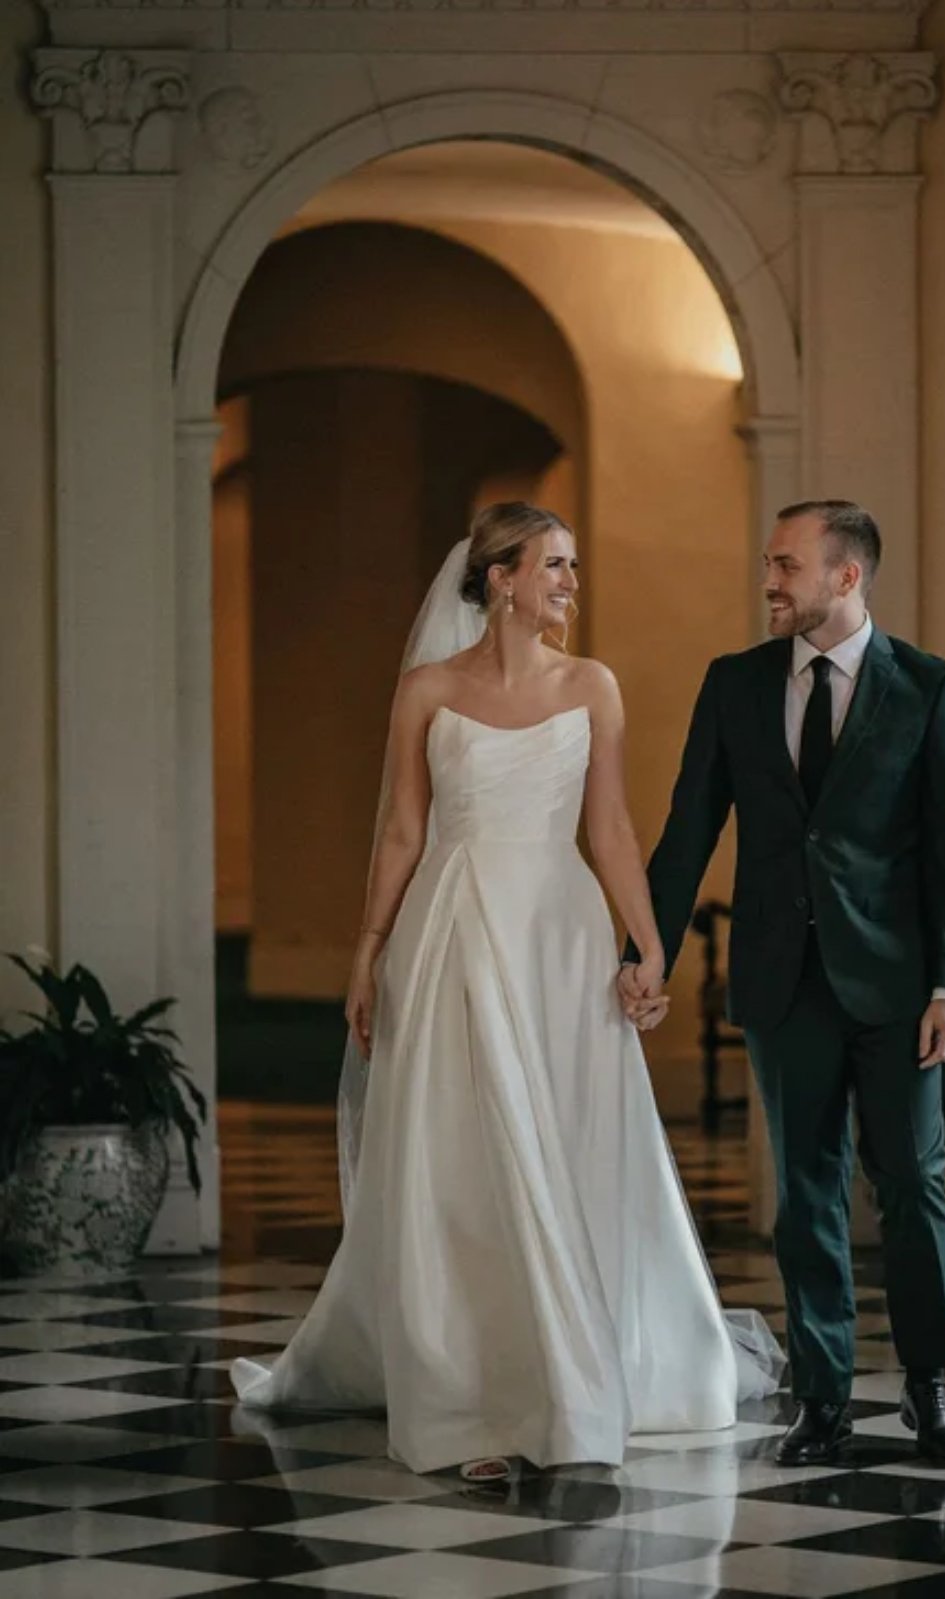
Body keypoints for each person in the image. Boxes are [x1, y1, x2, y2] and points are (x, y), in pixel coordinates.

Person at [232, 501, 783, 1481]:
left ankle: (575, 1372)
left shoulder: (592, 686)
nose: (570, 583)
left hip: (556, 939)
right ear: (499, 577)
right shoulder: (424, 690)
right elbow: (402, 832)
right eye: (555, 565)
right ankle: (469, 1390)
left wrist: (649, 950)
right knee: (458, 1152)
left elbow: (609, 830)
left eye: (573, 567)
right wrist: (365, 951)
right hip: (445, 933)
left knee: (562, 1140)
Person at [621, 500, 945, 1468]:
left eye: (785, 565)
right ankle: (821, 1399)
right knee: (806, 1194)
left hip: (898, 986)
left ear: (845, 576)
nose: (768, 581)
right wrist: (643, 952)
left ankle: (927, 1388)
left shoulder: (927, 688)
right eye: (767, 565)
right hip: (782, 980)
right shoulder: (734, 683)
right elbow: (688, 827)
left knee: (910, 1182)